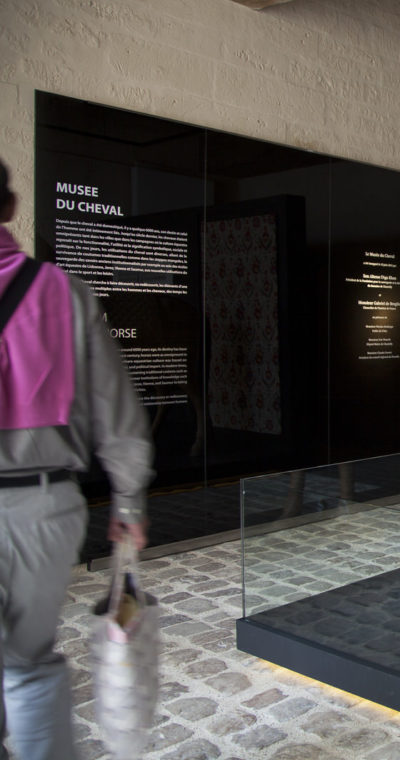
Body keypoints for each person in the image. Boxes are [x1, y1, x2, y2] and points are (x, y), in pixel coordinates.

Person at [0, 159, 153, 760]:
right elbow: (117, 415)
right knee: (29, 666)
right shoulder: (61, 293)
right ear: (10, 208)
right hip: (44, 508)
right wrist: (130, 501)